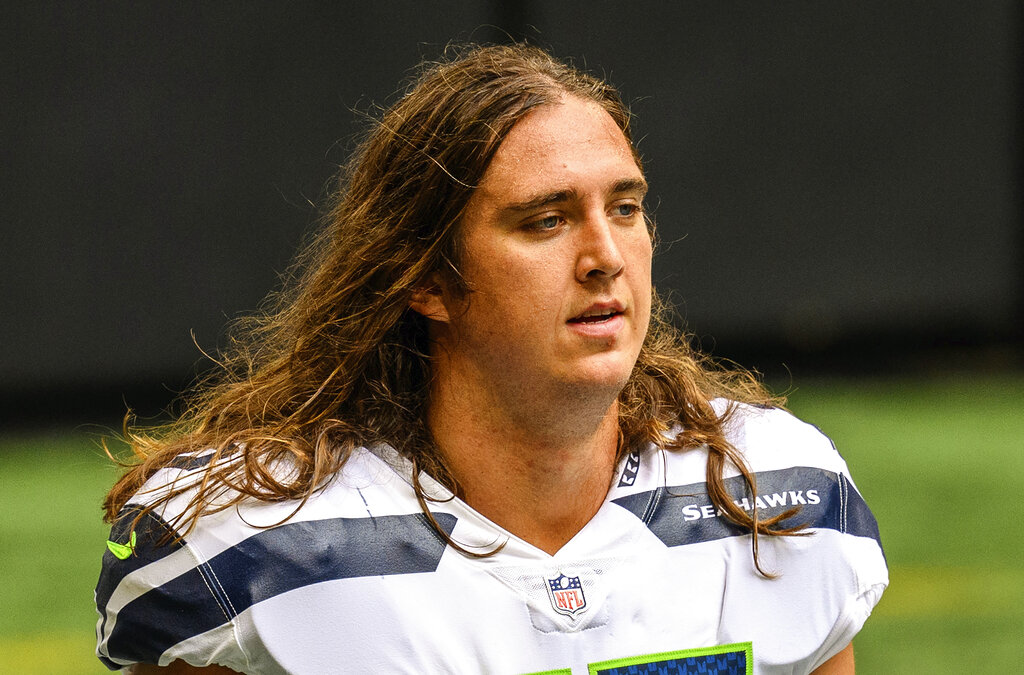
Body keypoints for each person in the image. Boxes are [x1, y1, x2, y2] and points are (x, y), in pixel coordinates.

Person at [95, 44, 887, 674]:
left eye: (625, 207)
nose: (605, 255)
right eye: (545, 221)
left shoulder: (774, 491)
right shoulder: (259, 540)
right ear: (430, 279)